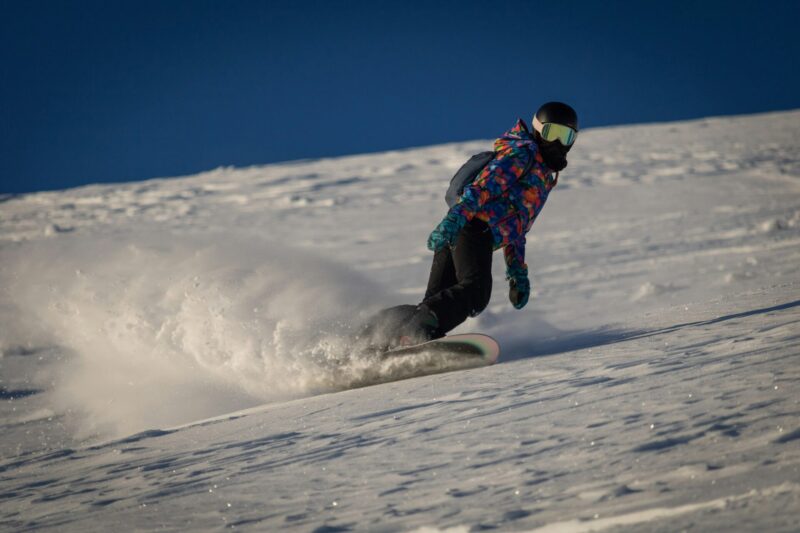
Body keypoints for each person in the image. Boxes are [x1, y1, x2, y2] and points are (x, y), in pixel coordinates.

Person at [362, 102, 579, 349]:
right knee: (475, 292)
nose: (558, 143)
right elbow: (483, 187)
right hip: (471, 226)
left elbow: (517, 229)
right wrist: (454, 220)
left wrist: (517, 272)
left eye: (566, 136)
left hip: (466, 228)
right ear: (538, 130)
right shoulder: (523, 155)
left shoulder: (542, 176)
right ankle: (412, 333)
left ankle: (376, 333)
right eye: (552, 133)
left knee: (434, 303)